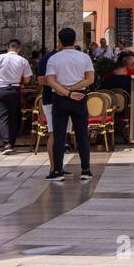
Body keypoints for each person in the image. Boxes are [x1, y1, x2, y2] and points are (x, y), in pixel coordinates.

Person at [42, 28, 95, 182]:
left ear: (59, 42)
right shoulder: (84, 57)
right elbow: (90, 79)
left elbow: (50, 81)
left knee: (59, 136)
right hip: (80, 96)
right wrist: (73, 89)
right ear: (75, 40)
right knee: (82, 135)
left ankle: (58, 171)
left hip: (60, 97)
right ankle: (85, 170)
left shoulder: (54, 59)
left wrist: (67, 92)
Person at [0, 39, 33, 155]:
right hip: (15, 90)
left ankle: (6, 144)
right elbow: (27, 79)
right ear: (19, 49)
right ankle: (12, 142)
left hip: (1, 89)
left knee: (1, 117)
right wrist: (19, 80)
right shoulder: (23, 60)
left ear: (7, 47)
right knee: (14, 117)